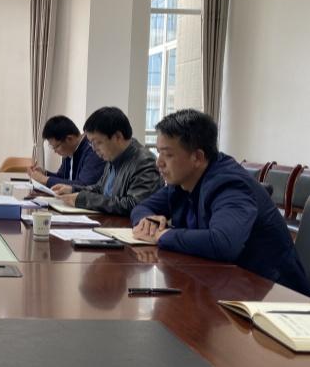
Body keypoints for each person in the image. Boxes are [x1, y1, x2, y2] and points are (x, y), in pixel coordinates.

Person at [131, 109, 310, 296]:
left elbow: (223, 243)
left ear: (198, 157)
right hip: (226, 285)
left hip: (275, 296)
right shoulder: (183, 181)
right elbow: (142, 207)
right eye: (158, 152)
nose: (158, 163)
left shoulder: (229, 184)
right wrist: (148, 221)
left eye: (167, 155)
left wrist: (163, 235)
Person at [51, 107, 162, 215]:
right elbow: (100, 188)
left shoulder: (145, 162)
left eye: (97, 143)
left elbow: (134, 204)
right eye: (91, 143)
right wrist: (73, 189)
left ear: (117, 136)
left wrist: (84, 199)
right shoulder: (113, 156)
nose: (94, 149)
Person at [28, 115, 105, 187]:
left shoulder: (92, 150)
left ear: (69, 139)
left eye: (57, 146)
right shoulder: (69, 151)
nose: (55, 151)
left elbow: (84, 185)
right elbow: (62, 177)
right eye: (53, 147)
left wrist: (45, 180)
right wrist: (45, 174)